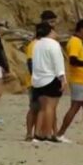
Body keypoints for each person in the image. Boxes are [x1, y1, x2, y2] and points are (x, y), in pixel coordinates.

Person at [56, 19, 83, 144]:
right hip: (77, 80)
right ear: (82, 29)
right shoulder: (74, 42)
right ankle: (60, 133)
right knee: (75, 106)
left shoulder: (80, 42)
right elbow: (73, 61)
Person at [25, 11, 59, 141]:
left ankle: (45, 132)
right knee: (35, 108)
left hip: (43, 80)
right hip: (36, 81)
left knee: (44, 108)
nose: (53, 26)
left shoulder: (46, 44)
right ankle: (32, 133)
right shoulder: (34, 44)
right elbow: (30, 63)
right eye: (51, 22)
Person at [32, 22, 66, 143]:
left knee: (42, 108)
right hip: (51, 78)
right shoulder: (53, 44)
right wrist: (62, 78)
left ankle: (37, 133)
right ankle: (47, 133)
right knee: (50, 108)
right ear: (50, 31)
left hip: (38, 79)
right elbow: (58, 63)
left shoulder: (37, 44)